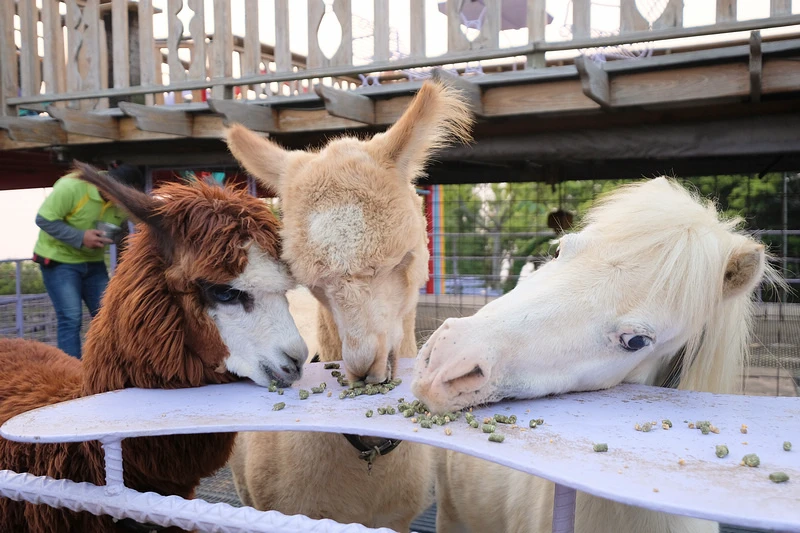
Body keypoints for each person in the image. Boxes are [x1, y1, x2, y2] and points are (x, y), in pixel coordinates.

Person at [32, 164, 144, 358]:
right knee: (70, 317)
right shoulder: (72, 187)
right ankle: (71, 371)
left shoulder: (122, 203)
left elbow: (130, 229)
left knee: (108, 315)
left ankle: (112, 366)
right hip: (59, 261)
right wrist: (81, 237)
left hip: (93, 262)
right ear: (112, 187)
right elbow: (43, 219)